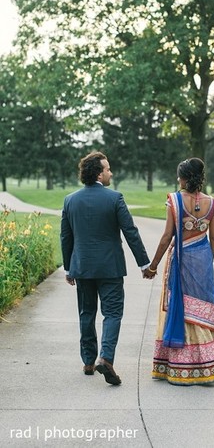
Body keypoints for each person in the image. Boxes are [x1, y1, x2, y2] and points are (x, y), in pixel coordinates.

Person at [60, 151, 151, 386]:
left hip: (82, 268)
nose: (111, 172)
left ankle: (88, 362)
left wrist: (69, 267)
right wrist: (144, 263)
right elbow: (130, 231)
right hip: (110, 268)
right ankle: (106, 358)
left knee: (86, 313)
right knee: (112, 314)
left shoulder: (70, 200)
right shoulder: (115, 198)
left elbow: (65, 237)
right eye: (108, 168)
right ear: (99, 173)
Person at [145, 157, 214, 385]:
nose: (178, 179)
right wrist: (207, 262)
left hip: (180, 259)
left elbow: (167, 236)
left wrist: (153, 265)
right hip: (202, 258)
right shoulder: (213, 203)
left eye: (179, 175)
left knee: (181, 305)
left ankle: (178, 367)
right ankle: (205, 367)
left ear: (185, 178)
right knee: (199, 308)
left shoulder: (175, 201)